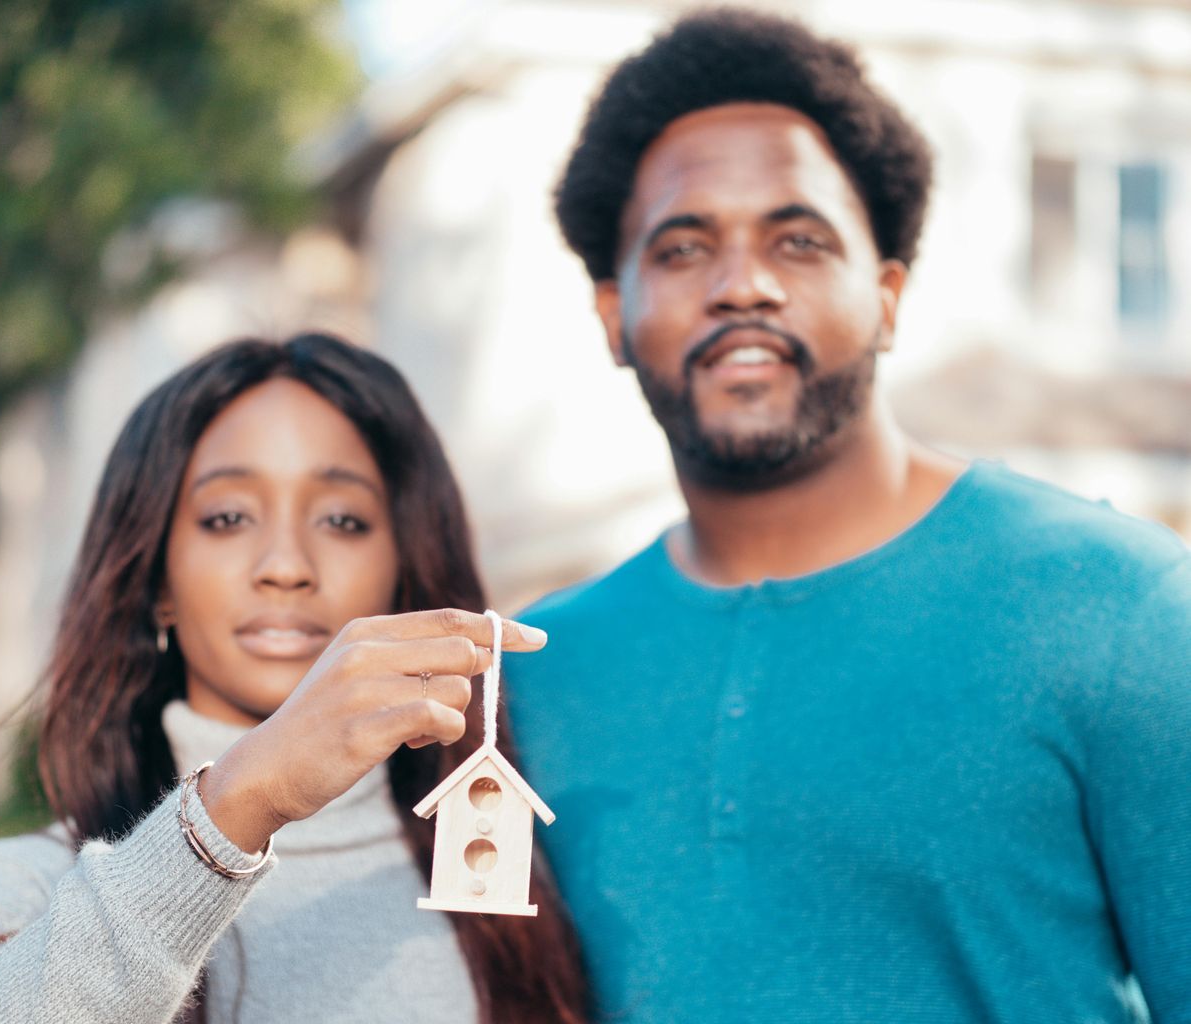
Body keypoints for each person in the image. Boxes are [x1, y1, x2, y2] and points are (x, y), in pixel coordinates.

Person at [504, 8, 1191, 1023]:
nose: (744, 285)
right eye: (685, 248)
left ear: (888, 294)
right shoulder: (534, 673)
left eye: (799, 239)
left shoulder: (1123, 610)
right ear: (615, 314)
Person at [0, 335, 592, 1023]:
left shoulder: (508, 880)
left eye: (342, 520)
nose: (285, 563)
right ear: (156, 580)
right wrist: (241, 799)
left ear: (403, 574)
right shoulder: (2, 895)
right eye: (227, 518)